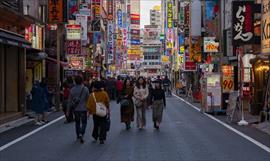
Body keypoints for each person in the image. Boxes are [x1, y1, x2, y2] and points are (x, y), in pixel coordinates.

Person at [67, 76, 89, 143]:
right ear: (82, 81)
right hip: (84, 109)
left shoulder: (72, 90)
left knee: (77, 122)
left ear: (75, 81)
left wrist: (67, 111)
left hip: (76, 109)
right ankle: (82, 133)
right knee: (84, 122)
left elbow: (69, 101)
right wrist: (89, 109)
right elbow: (88, 99)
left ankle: (78, 135)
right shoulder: (85, 89)